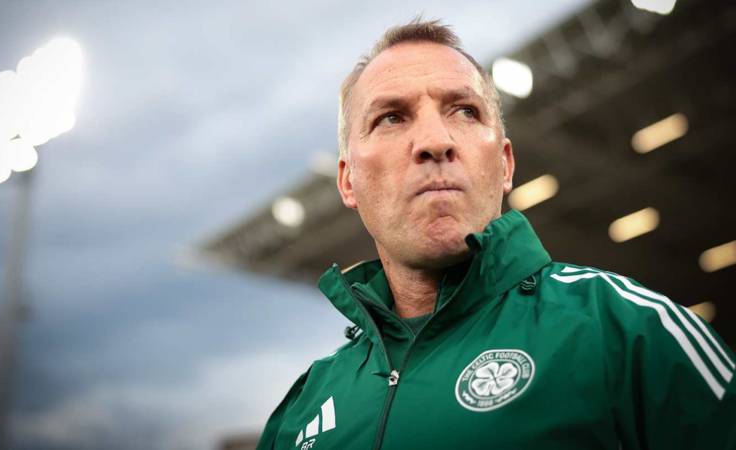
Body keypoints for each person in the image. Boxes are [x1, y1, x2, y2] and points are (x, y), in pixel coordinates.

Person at [256, 19, 736, 450]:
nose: (435, 141)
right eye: (392, 117)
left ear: (505, 164)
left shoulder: (628, 329)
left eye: (464, 111)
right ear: (347, 181)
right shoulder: (301, 413)